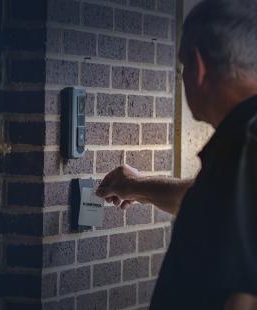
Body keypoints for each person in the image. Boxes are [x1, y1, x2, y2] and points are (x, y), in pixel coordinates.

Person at [96, 0, 257, 309]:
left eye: (181, 67)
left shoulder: (246, 141)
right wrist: (136, 185)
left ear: (198, 68)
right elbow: (211, 203)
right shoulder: (243, 142)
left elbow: (248, 295)